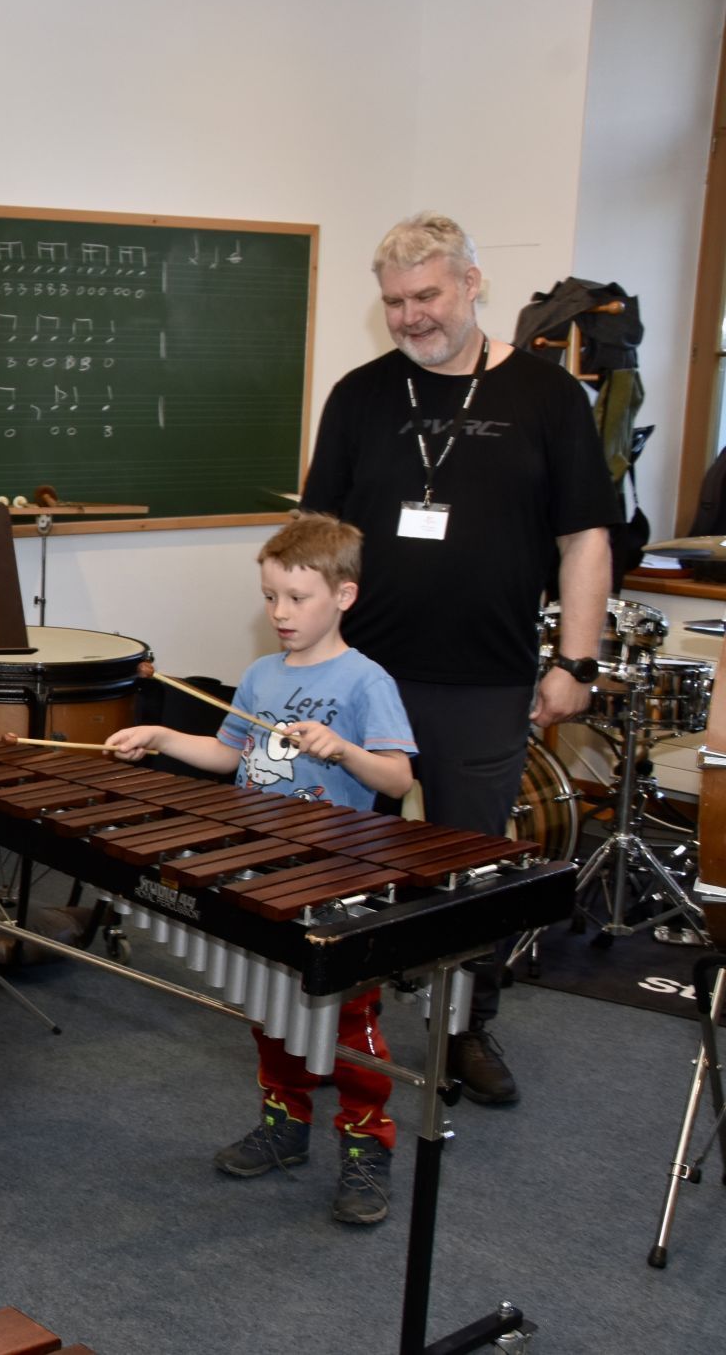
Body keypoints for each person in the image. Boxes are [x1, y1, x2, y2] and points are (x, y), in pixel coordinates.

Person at [300, 212, 620, 1106]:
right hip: (361, 676)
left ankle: (464, 1030)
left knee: (474, 866)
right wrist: (303, 644)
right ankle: (331, 1020)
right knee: (335, 853)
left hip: (485, 676)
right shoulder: (361, 395)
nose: (410, 316)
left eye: (427, 295)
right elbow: (318, 542)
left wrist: (577, 662)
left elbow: (585, 540)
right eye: (394, 301)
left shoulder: (549, 398)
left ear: (473, 284)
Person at [107, 513, 415, 1224]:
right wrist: (160, 736)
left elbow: (397, 781)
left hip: (337, 872)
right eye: (270, 596)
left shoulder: (367, 680)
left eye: (296, 598)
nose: (279, 612)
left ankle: (368, 1144)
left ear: (343, 595)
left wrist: (343, 750)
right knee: (272, 1012)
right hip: (264, 869)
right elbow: (232, 756)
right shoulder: (259, 675)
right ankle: (285, 1124)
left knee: (351, 1022)